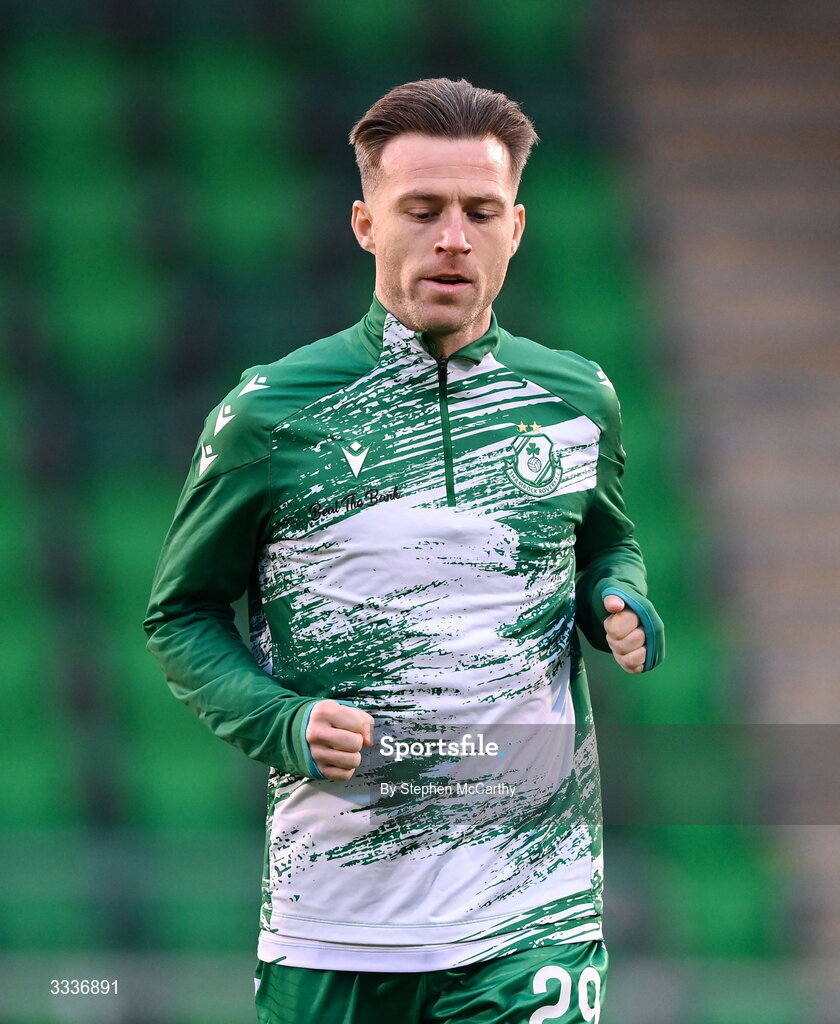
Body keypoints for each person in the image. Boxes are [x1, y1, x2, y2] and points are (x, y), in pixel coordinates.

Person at [144, 77, 664, 1024]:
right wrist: (284, 721)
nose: (452, 238)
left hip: (532, 912)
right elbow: (180, 617)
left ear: (517, 226)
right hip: (335, 925)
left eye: (480, 211)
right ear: (365, 224)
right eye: (421, 210)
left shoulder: (578, 399)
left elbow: (605, 545)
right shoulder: (274, 413)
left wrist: (615, 598)